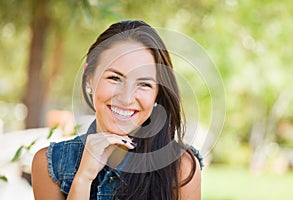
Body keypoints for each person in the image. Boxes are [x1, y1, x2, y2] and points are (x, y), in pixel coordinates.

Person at [31, 20, 203, 200]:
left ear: (157, 94)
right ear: (89, 77)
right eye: (114, 78)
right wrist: (83, 179)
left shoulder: (181, 168)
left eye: (144, 84)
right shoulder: (49, 165)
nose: (126, 98)